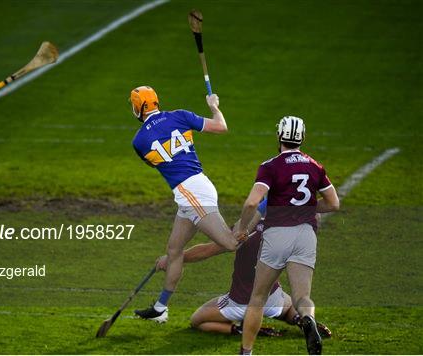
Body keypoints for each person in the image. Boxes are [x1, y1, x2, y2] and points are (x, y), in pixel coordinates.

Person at [130, 86, 242, 323]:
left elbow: (160, 163)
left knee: (231, 243)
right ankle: (161, 308)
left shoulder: (139, 141)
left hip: (191, 193)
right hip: (192, 190)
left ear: (137, 108)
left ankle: (259, 218)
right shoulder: (180, 115)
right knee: (173, 250)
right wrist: (214, 106)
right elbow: (221, 126)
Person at [234, 116, 340, 355]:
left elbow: (253, 202)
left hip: (277, 235)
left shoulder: (270, 166)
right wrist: (308, 208)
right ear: (302, 137)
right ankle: (308, 319)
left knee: (258, 297)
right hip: (306, 234)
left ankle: (246, 352)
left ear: (279, 136)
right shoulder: (315, 166)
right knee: (302, 297)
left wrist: (242, 227)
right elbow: (333, 204)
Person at [156, 202, 332, 339]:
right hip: (272, 299)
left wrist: (173, 258)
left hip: (239, 304)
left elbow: (208, 250)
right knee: (292, 303)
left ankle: (240, 329)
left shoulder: (246, 228)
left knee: (197, 320)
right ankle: (301, 320)